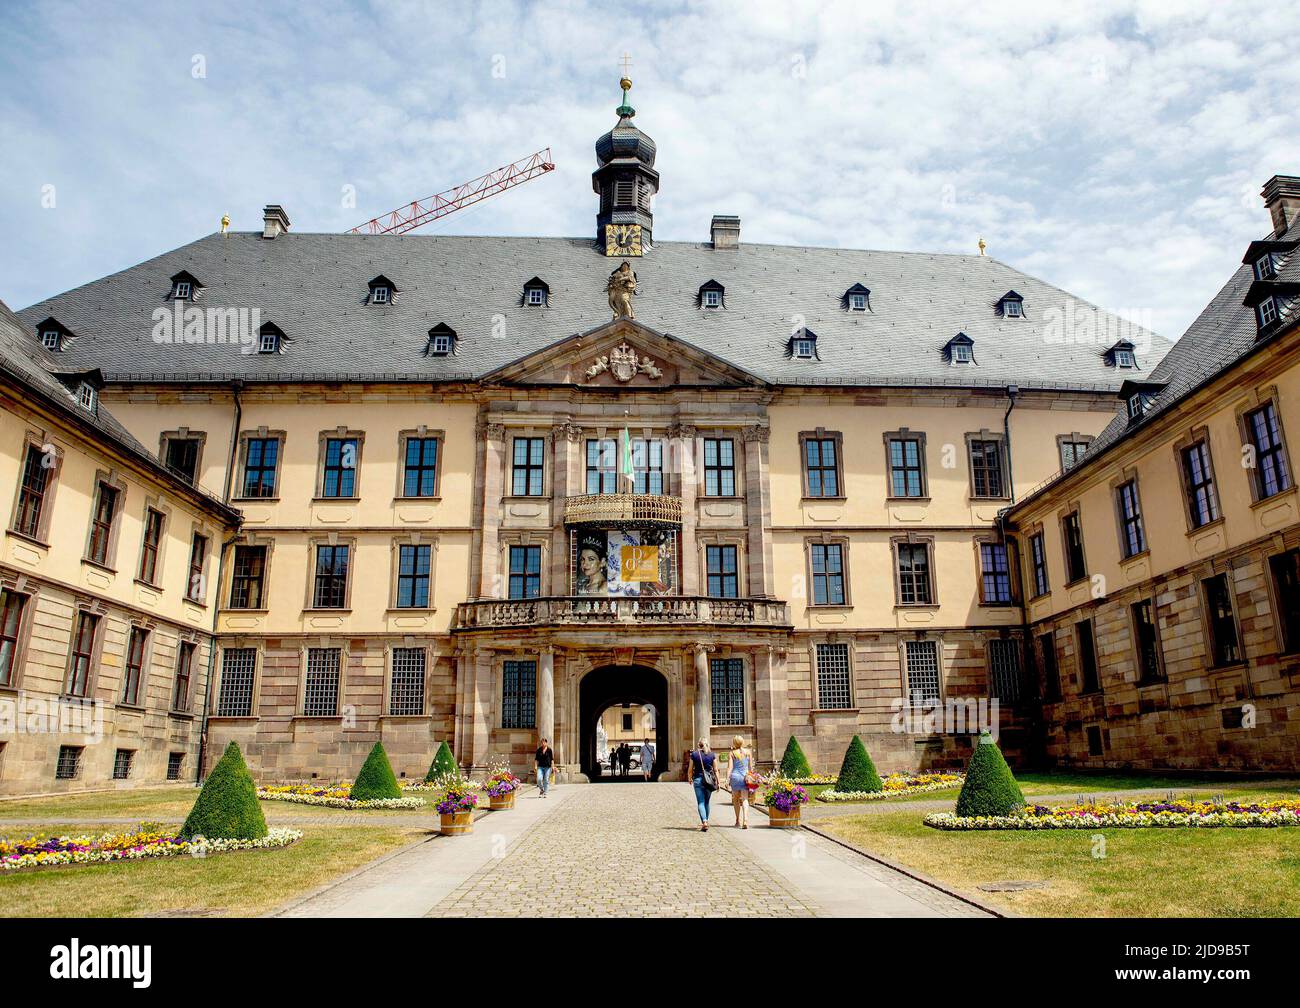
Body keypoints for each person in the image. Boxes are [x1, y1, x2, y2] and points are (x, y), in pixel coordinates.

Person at [684, 740, 717, 831]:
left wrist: (690, 778)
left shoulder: (694, 755)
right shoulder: (712, 755)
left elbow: (690, 769)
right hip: (709, 781)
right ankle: (706, 820)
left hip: (698, 780)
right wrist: (718, 781)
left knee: (701, 802)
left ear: (699, 745)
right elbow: (716, 769)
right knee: (707, 802)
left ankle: (704, 821)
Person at [727, 735, 755, 828]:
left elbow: (730, 768)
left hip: (735, 777)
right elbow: (751, 767)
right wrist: (753, 777)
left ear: (734, 743)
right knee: (745, 799)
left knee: (735, 799)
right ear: (742, 742)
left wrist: (727, 780)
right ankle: (745, 820)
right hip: (745, 777)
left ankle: (737, 821)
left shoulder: (732, 753)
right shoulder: (748, 752)